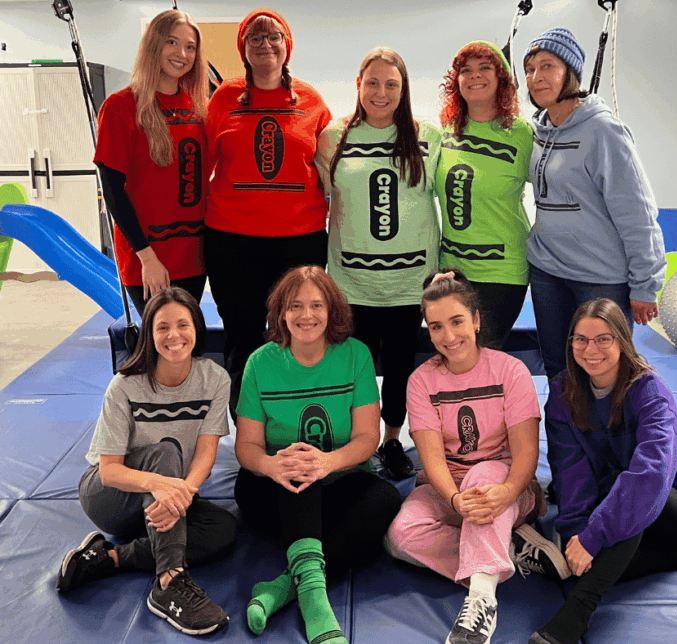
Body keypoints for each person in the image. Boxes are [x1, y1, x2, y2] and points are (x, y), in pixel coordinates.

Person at [528, 298, 677, 644]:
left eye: (603, 339)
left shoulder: (650, 391)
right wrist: (577, 534)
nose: (590, 349)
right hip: (608, 502)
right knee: (579, 563)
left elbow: (651, 475)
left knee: (627, 494)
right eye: (581, 339)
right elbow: (570, 471)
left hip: (669, 511)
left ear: (622, 341)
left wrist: (594, 536)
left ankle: (577, 614)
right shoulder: (562, 392)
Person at [385, 269, 568, 644]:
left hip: (504, 487)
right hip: (450, 490)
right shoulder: (422, 381)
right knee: (400, 537)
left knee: (482, 479)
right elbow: (432, 459)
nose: (448, 336)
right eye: (436, 327)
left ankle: (481, 602)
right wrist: (454, 499)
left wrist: (508, 492)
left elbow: (526, 452)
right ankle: (508, 550)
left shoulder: (510, 371)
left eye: (457, 322)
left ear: (476, 320)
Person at [234, 266, 402, 644]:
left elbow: (367, 437)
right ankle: (316, 606)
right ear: (281, 312)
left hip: (342, 481)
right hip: (273, 488)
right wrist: (272, 465)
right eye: (295, 305)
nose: (306, 315)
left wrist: (328, 462)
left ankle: (283, 587)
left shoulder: (356, 355)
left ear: (332, 310)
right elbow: (246, 447)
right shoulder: (260, 362)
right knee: (299, 463)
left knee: (386, 499)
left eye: (316, 305)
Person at [56, 287, 236, 636]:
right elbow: (109, 470)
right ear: (150, 335)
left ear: (197, 329)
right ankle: (169, 581)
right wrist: (157, 483)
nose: (174, 335)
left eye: (182, 325)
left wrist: (183, 493)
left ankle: (108, 559)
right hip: (111, 496)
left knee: (222, 530)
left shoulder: (215, 379)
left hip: (166, 495)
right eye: (162, 327)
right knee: (165, 452)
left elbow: (206, 453)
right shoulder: (125, 385)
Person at [315, 46, 441, 480]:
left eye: (391, 84)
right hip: (352, 282)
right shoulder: (333, 137)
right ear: (358, 85)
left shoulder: (428, 136)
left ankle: (390, 440)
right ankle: (360, 443)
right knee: (358, 368)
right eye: (372, 83)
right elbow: (317, 196)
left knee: (401, 368)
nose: (381, 93)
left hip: (410, 283)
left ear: (404, 90)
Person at [205, 8, 332, 413]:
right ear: (243, 49)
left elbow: (333, 169)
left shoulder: (311, 101)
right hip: (232, 243)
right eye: (255, 38)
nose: (265, 45)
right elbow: (201, 166)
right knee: (242, 336)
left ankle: (293, 418)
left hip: (299, 242)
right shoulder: (224, 99)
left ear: (287, 46)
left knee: (297, 333)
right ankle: (248, 429)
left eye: (273, 37)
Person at [523, 28, 666, 380]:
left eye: (548, 66)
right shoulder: (537, 133)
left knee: (604, 373)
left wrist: (645, 284)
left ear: (570, 73)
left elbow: (637, 212)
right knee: (557, 369)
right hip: (547, 272)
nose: (536, 77)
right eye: (529, 69)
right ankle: (561, 421)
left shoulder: (603, 131)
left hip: (600, 279)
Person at [95, 10, 208, 317]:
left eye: (190, 47)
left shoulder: (199, 107)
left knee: (186, 337)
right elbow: (113, 191)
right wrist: (147, 258)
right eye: (172, 42)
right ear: (153, 44)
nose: (181, 53)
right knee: (162, 338)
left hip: (194, 256)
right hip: (148, 258)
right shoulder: (120, 107)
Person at [435, 41, 534, 350]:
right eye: (466, 70)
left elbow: (555, 186)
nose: (474, 75)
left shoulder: (521, 134)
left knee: (482, 357)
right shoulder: (446, 132)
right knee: (456, 354)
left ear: (501, 78)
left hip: (502, 273)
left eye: (485, 68)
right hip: (453, 270)